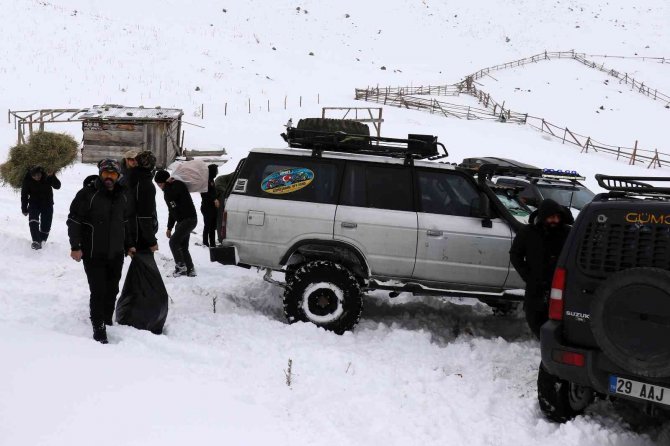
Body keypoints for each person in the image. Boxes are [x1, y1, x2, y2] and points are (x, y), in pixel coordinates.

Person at [67, 159, 135, 344]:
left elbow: (126, 222)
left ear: (118, 176)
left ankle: (106, 318)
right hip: (93, 253)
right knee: (98, 291)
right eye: (105, 174)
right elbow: (74, 221)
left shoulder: (123, 195)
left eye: (112, 174)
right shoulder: (88, 194)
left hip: (115, 253)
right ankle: (99, 328)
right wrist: (75, 246)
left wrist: (129, 245)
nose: (108, 178)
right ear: (100, 174)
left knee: (113, 289)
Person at [510, 199, 571, 339]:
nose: (555, 220)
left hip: (560, 286)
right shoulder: (528, 233)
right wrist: (527, 275)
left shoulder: (567, 233)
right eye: (551, 217)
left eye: (558, 217)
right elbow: (515, 255)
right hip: (536, 285)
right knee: (534, 318)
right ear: (543, 217)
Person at [154, 169, 198, 277]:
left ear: (165, 181)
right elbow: (172, 211)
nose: (160, 187)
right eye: (158, 184)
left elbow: (173, 195)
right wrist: (169, 227)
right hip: (183, 221)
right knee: (183, 246)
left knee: (173, 242)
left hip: (189, 219)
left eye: (160, 184)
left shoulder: (177, 186)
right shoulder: (169, 189)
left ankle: (181, 268)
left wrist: (168, 185)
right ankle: (190, 269)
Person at [21, 166, 61, 249]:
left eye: (38, 175)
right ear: (31, 175)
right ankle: (35, 241)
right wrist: (24, 208)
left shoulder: (47, 176)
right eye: (34, 176)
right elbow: (24, 195)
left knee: (46, 224)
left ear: (41, 172)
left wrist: (52, 176)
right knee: (33, 221)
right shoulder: (27, 180)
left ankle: (42, 241)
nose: (37, 177)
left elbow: (57, 186)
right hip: (34, 203)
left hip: (47, 203)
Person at [129, 151, 159, 252]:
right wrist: (151, 241)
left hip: (134, 231)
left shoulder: (132, 178)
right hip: (141, 235)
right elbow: (144, 216)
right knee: (145, 266)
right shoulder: (145, 184)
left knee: (139, 265)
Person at [200, 164, 218, 247]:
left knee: (213, 226)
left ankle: (212, 243)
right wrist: (214, 199)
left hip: (213, 207)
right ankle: (205, 243)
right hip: (206, 207)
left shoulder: (211, 180)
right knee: (207, 225)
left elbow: (213, 192)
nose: (217, 172)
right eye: (216, 170)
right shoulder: (205, 181)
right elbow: (205, 194)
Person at [214, 172, 234, 244]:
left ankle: (221, 237)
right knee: (221, 218)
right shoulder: (234, 176)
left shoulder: (234, 175)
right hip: (220, 192)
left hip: (221, 191)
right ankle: (220, 238)